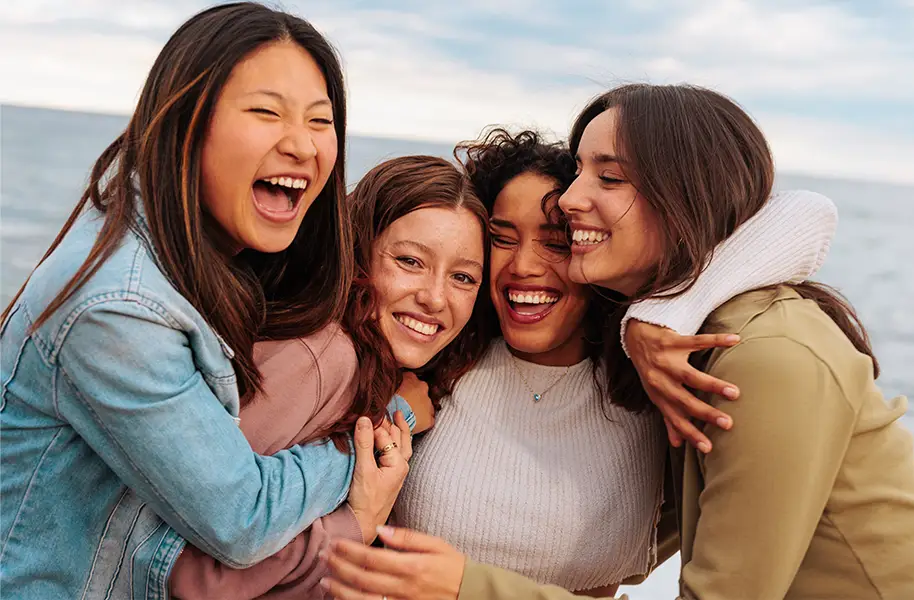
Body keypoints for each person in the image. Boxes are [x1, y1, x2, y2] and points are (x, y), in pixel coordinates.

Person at [326, 84, 914, 600]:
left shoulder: (746, 354)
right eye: (502, 237)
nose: (576, 199)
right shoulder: (453, 353)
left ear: (680, 194)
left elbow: (807, 213)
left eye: (607, 179)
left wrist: (467, 586)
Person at [0, 3, 402, 598]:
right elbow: (240, 516)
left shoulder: (198, 257)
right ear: (187, 123)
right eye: (266, 112)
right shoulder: (119, 306)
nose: (301, 144)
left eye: (320, 122)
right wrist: (368, 446)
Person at [355, 129, 834, 597]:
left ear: (593, 245)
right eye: (503, 237)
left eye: (556, 241)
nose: (524, 265)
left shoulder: (650, 379)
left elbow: (810, 213)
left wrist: (658, 315)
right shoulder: (435, 359)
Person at [168, 155, 490, 598]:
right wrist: (355, 525)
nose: (435, 297)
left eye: (462, 277)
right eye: (410, 261)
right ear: (359, 252)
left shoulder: (379, 371)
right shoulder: (322, 357)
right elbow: (184, 567)